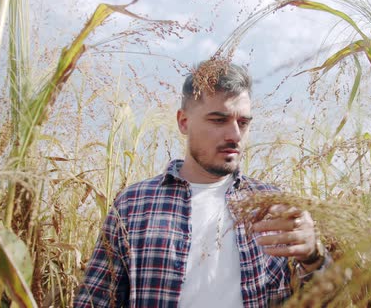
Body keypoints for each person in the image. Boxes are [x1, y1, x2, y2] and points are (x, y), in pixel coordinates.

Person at [74, 60, 329, 307]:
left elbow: (325, 299)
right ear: (184, 122)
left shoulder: (273, 204)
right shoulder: (134, 204)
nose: (235, 135)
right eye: (218, 120)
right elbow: (94, 301)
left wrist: (313, 258)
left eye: (243, 122)